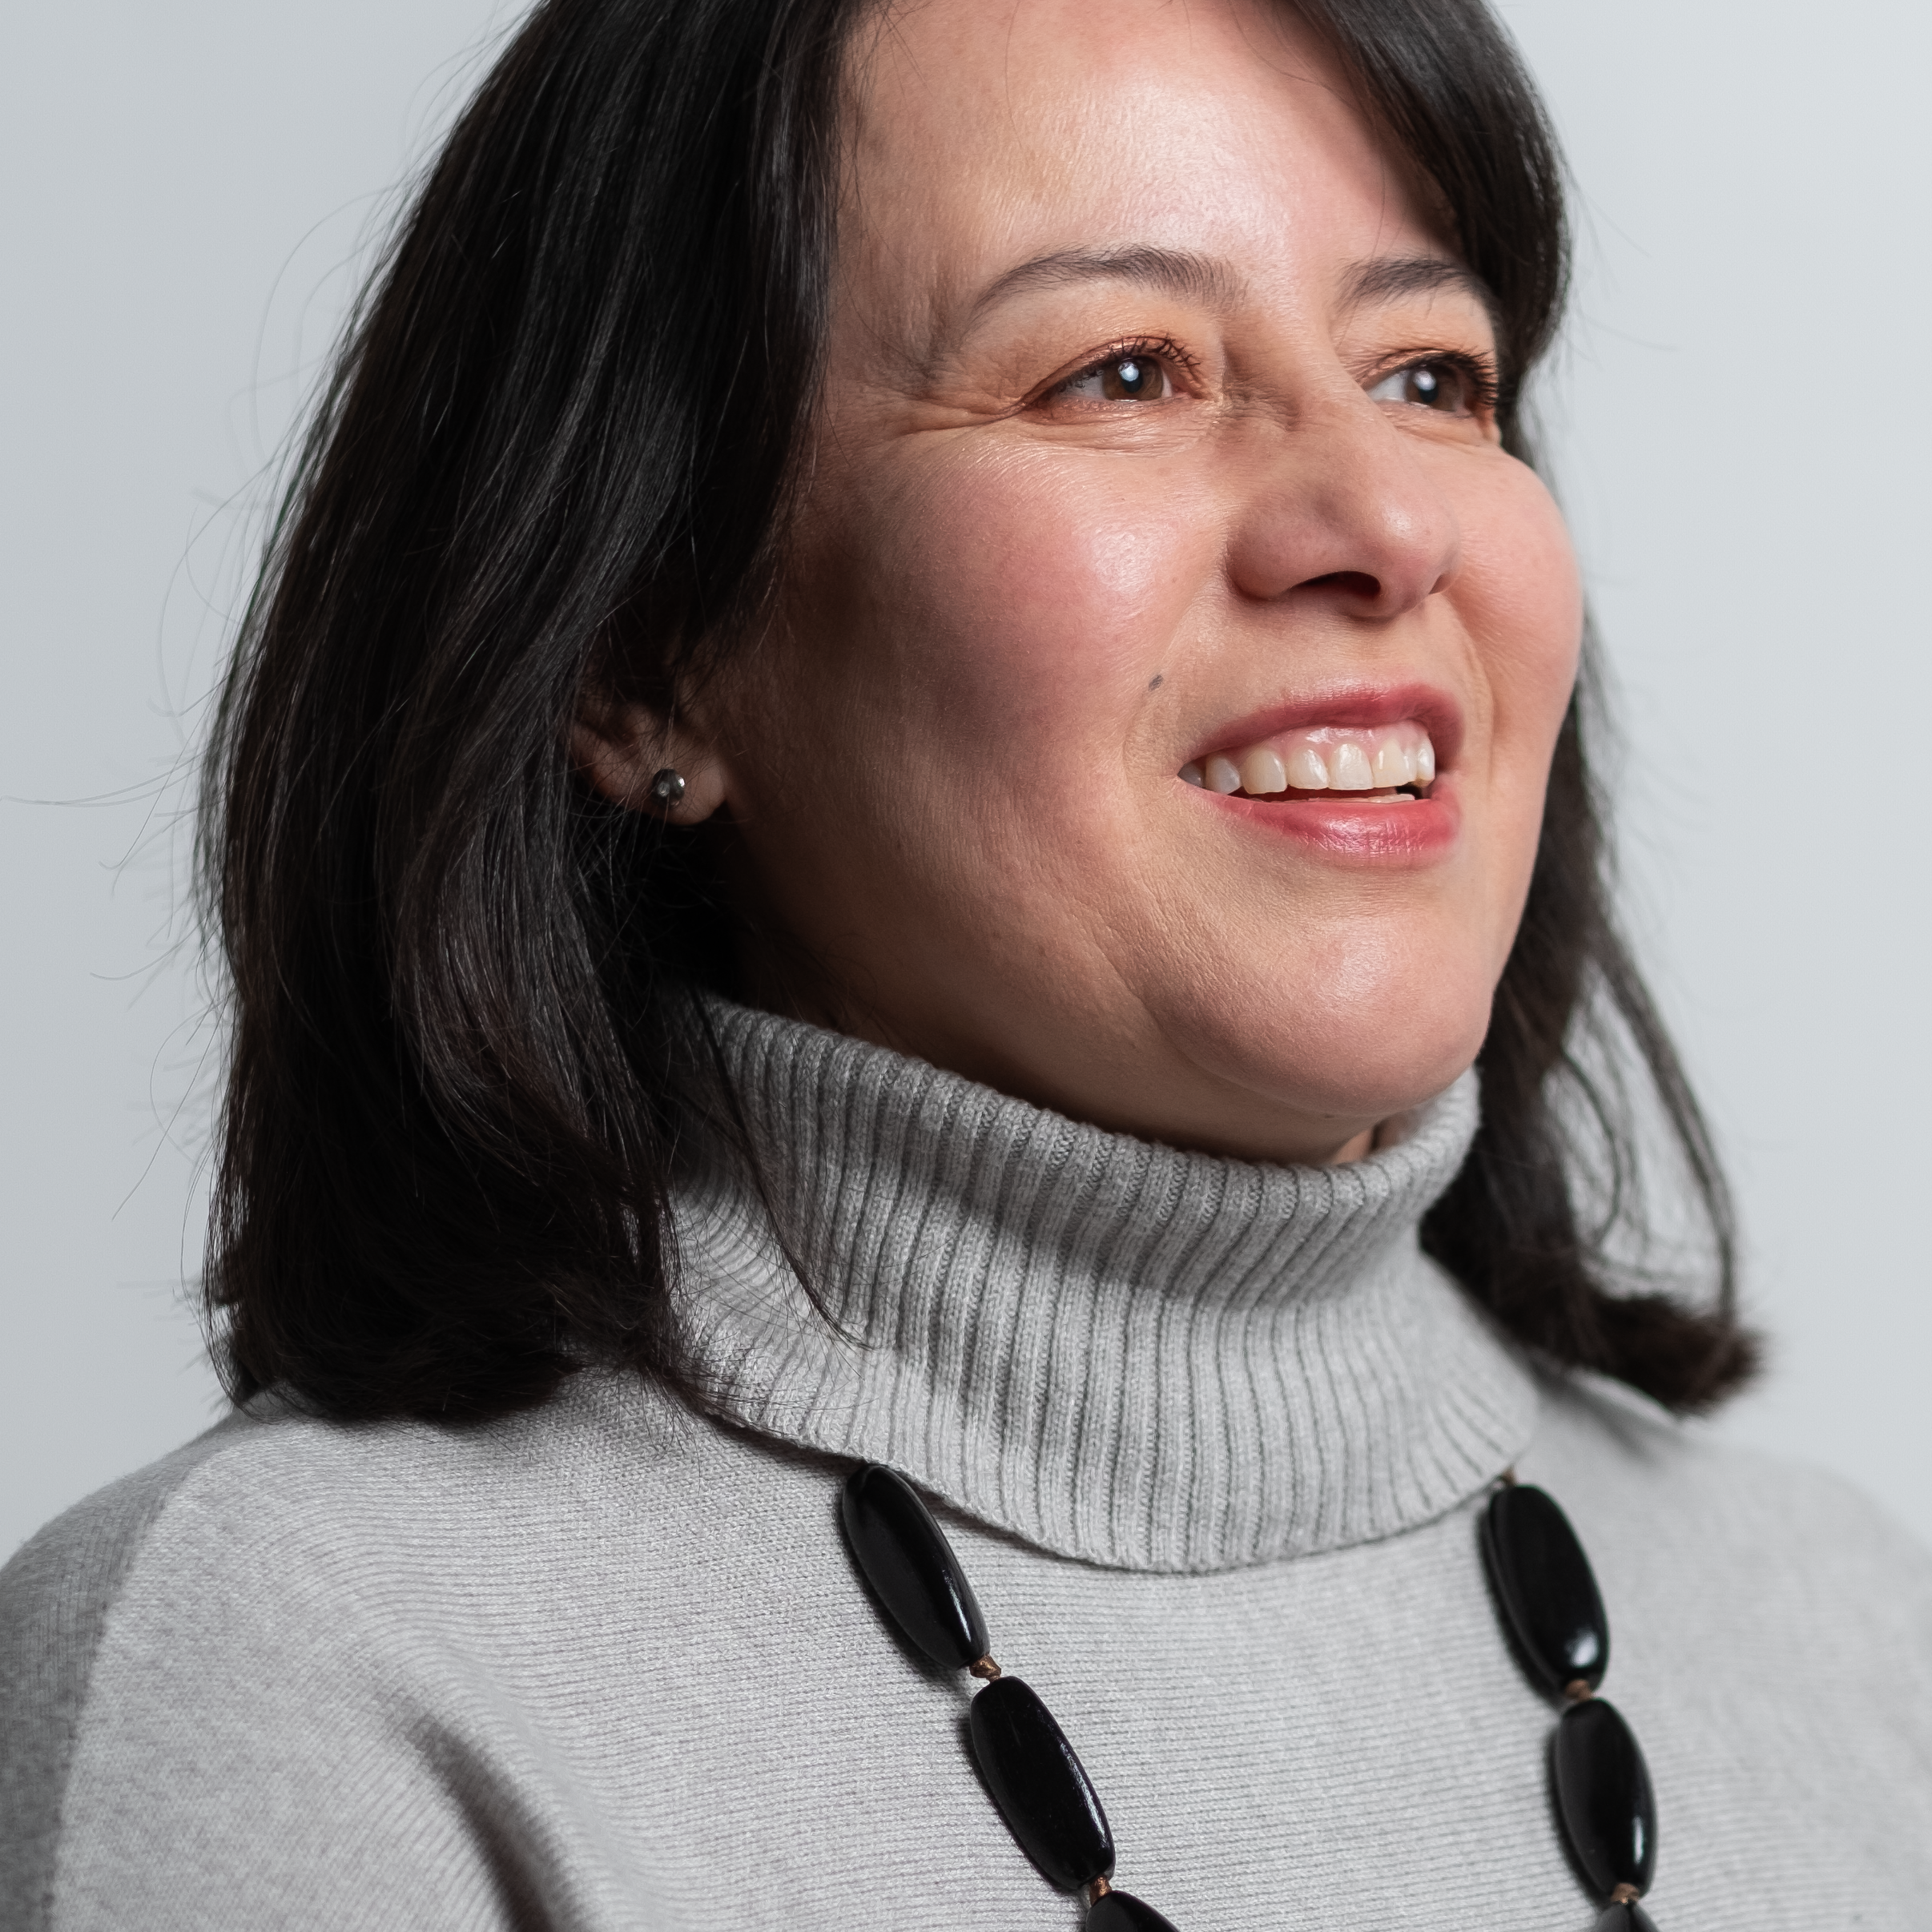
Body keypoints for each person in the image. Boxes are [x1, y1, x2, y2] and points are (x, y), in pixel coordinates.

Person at [3, 0, 1929, 1925]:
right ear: (645, 649)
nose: (1385, 522)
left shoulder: (1858, 1641)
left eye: (1430, 375)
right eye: (1122, 372)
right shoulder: (297, 1682)